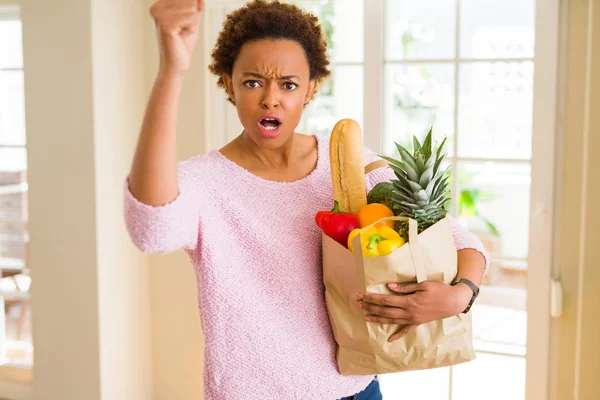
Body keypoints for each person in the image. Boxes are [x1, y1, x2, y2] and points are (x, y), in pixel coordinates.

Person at [123, 0, 489, 399]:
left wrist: (459, 295)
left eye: (289, 84)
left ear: (311, 88)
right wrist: (171, 71)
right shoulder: (204, 182)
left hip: (357, 391)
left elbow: (463, 242)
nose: (270, 99)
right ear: (228, 84)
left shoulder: (348, 167)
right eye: (252, 82)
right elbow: (151, 232)